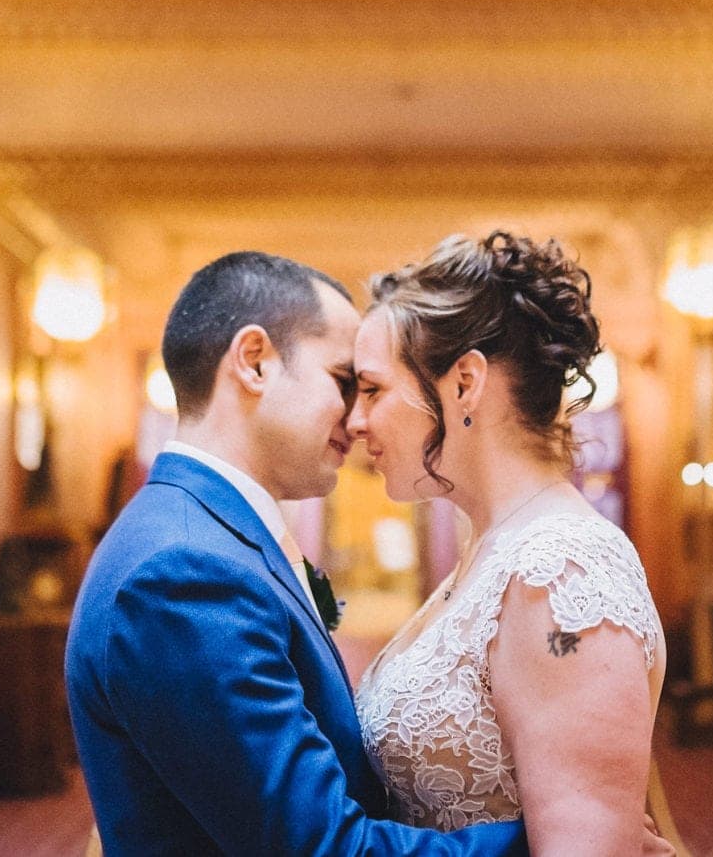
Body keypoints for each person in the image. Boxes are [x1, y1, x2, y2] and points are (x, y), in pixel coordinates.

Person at [71, 252, 551, 855]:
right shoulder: (182, 571)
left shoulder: (202, 535)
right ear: (255, 363)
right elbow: (321, 847)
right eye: (344, 382)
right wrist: (558, 840)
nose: (358, 418)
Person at [350, 232, 670, 854]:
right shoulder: (490, 554)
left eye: (372, 390)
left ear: (465, 382)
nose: (356, 421)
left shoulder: (563, 571)